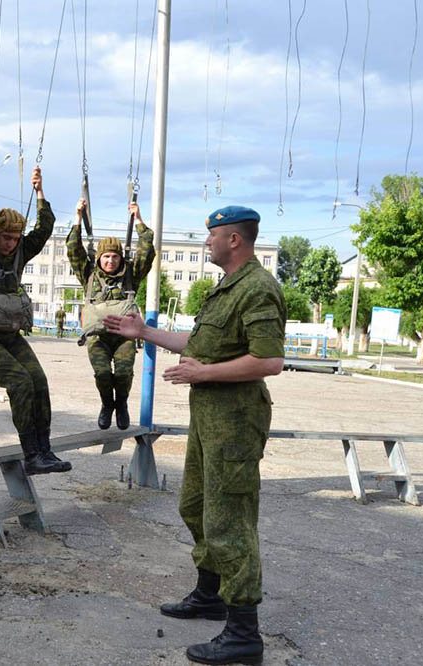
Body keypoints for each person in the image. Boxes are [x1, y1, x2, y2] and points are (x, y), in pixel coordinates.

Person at [105, 205, 285, 665]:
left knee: (230, 520)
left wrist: (206, 374)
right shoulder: (227, 287)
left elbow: (268, 361)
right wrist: (144, 331)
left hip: (236, 421)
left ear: (235, 241)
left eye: (213, 235)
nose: (207, 242)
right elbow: (201, 345)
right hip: (210, 419)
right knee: (196, 506)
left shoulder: (259, 288)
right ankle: (211, 595)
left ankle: (244, 632)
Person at [0, 156, 71, 475]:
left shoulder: (21, 251)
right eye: (6, 237)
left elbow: (45, 228)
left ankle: (44, 450)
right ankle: (31, 453)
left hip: (9, 334)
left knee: (39, 380)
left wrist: (40, 192)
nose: (11, 244)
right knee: (20, 382)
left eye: (15, 238)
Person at [67, 199, 154, 430]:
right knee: (103, 373)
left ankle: (122, 404)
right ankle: (107, 405)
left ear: (121, 259)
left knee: (124, 374)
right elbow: (73, 249)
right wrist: (77, 217)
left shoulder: (130, 275)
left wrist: (138, 220)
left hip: (123, 336)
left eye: (115, 256)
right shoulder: (88, 275)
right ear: (99, 258)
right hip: (97, 337)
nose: (110, 260)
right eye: (106, 256)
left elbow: (147, 251)